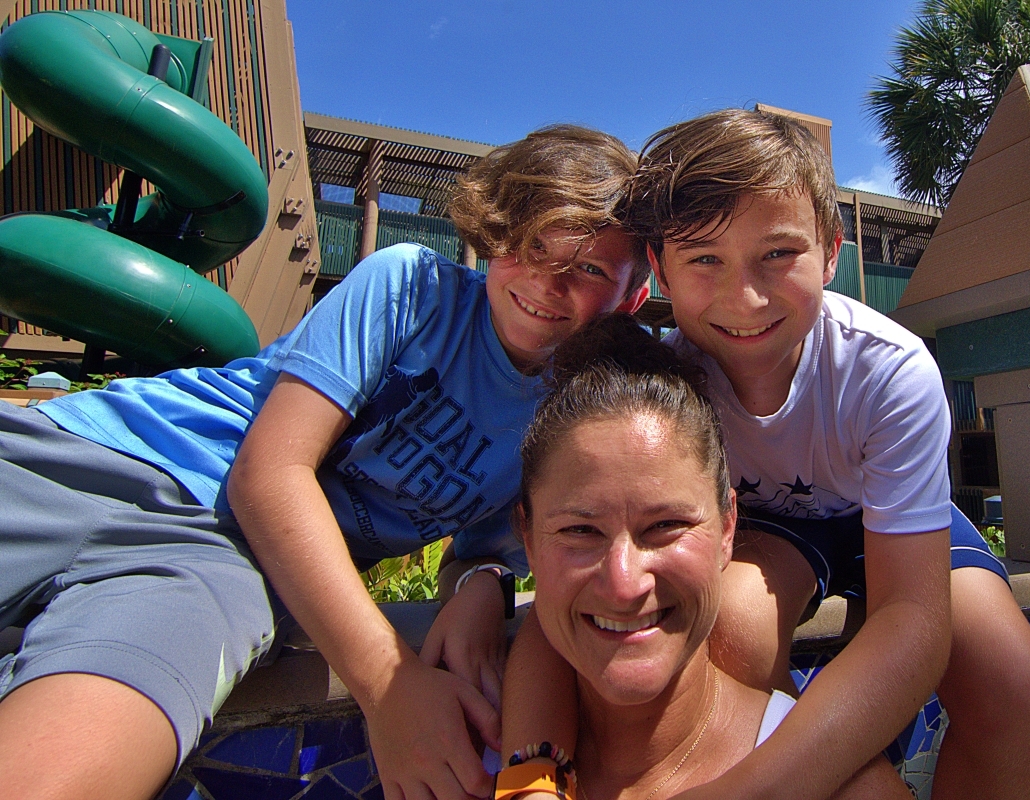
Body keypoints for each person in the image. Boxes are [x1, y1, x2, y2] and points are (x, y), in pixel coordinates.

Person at [0, 124, 649, 800]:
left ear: (631, 298)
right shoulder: (412, 286)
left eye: (590, 268)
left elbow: (480, 550)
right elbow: (269, 474)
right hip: (97, 453)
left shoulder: (565, 420)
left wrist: (483, 585)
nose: (546, 281)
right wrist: (388, 684)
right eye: (531, 244)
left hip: (223, 566)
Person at [503, 109, 1030, 800]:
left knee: (1015, 684)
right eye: (705, 259)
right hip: (778, 525)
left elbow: (912, 618)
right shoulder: (674, 389)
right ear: (661, 270)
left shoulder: (887, 371)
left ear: (831, 252)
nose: (745, 296)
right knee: (734, 628)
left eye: (778, 254)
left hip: (884, 511)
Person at [495, 314, 907, 800]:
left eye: (665, 526)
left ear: (728, 527)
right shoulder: (454, 760)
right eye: (580, 530)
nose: (624, 584)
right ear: (529, 540)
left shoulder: (845, 791)